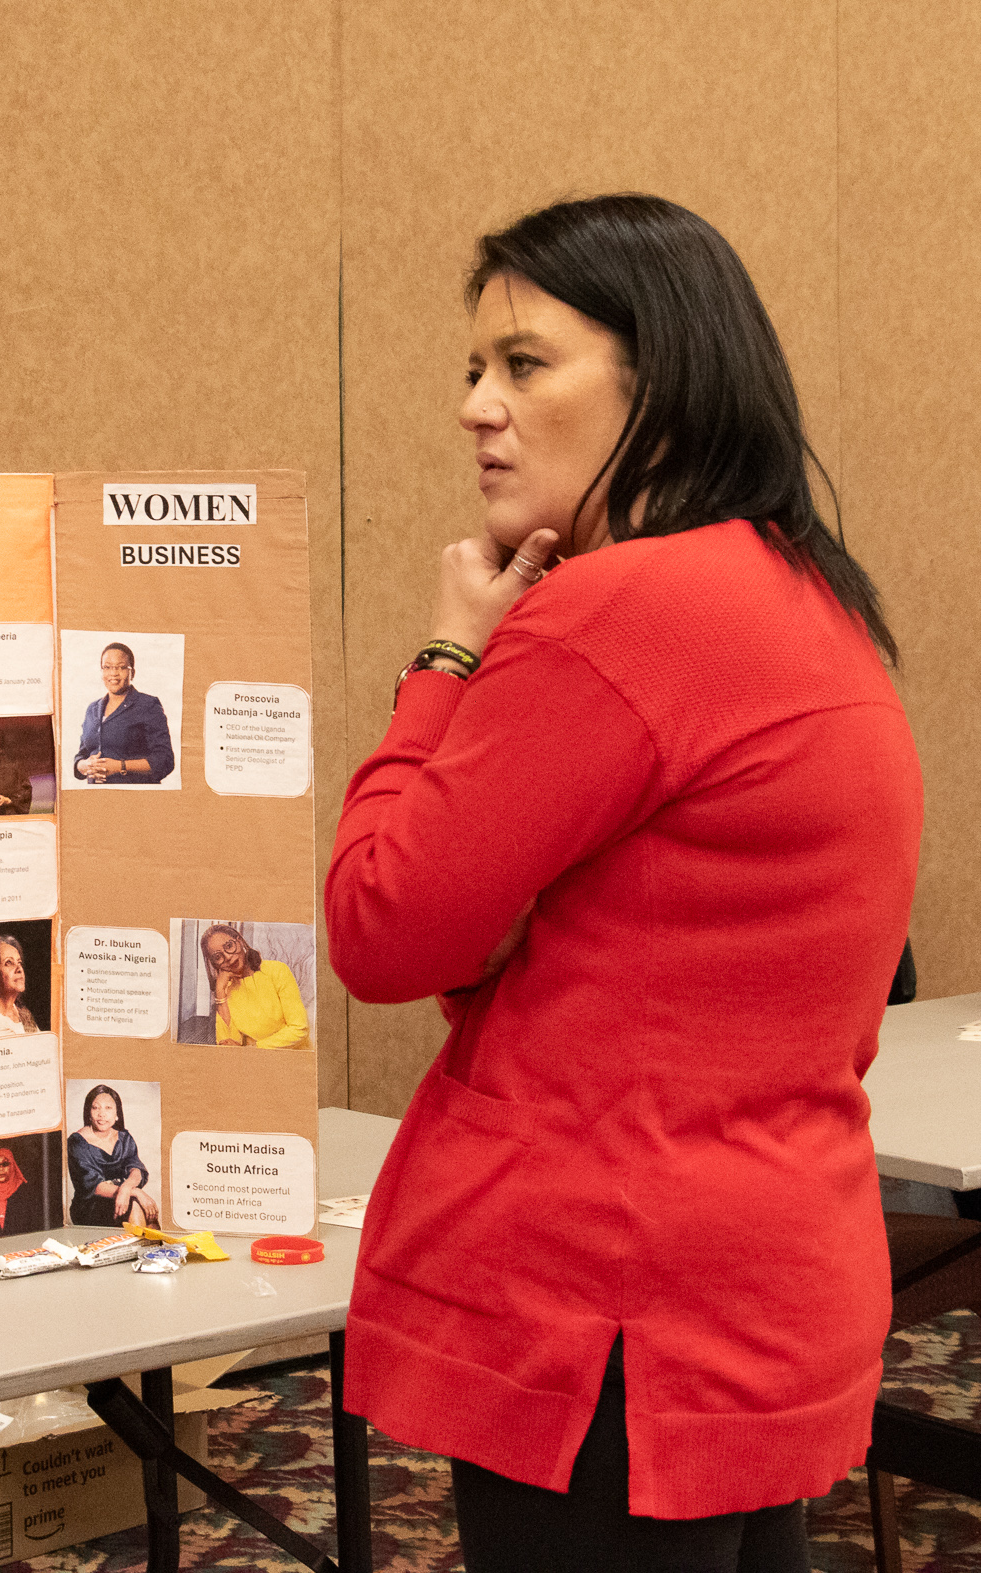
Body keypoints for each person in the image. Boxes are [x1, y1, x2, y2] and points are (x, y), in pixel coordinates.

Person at [324, 194, 920, 1572]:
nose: (479, 406)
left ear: (665, 379)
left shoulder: (618, 611)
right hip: (760, 1284)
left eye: (526, 365)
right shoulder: (807, 597)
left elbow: (382, 928)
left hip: (607, 1304)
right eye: (473, 369)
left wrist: (446, 659)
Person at [72, 641, 174, 784]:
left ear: (132, 672)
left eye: (121, 667)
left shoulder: (147, 705)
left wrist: (120, 766)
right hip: (95, 797)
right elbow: (82, 755)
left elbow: (165, 760)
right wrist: (84, 766)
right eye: (107, 667)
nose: (113, 673)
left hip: (134, 797)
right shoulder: (92, 709)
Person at [200, 924, 309, 1049]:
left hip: (291, 1055)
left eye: (229, 946)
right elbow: (227, 1043)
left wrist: (254, 1048)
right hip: (252, 1059)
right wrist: (220, 993)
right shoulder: (226, 989)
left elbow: (300, 1028)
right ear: (214, 963)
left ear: (239, 941)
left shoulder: (277, 970)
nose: (228, 957)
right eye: (218, 957)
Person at [65, 1085, 159, 1227]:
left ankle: (155, 1248)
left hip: (123, 1196)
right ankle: (140, 1248)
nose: (102, 1114)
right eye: (96, 1108)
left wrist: (127, 1188)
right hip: (90, 1205)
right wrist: (135, 1192)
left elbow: (136, 1169)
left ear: (117, 1114)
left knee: (149, 1216)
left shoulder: (124, 1137)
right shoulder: (77, 1141)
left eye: (108, 1108)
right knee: (135, 1204)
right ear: (89, 1113)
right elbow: (93, 1186)